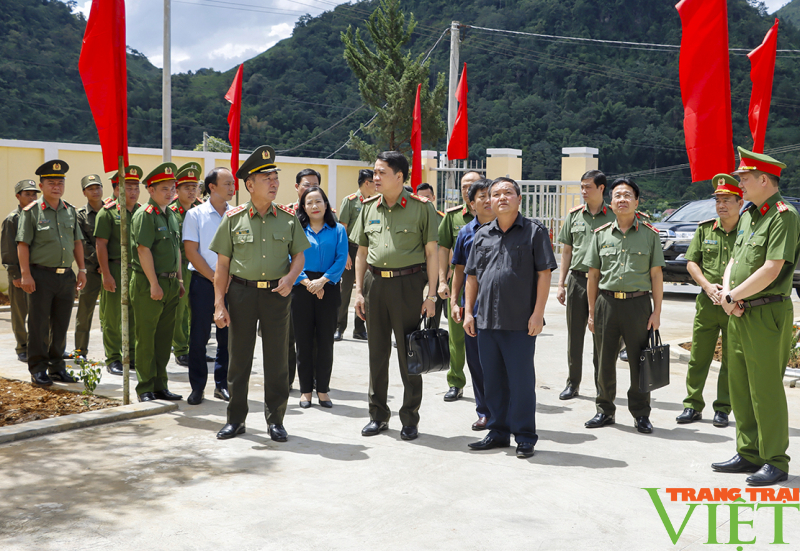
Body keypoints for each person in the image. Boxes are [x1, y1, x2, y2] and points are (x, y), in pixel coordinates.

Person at [713, 148, 800, 486]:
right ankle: (748, 452)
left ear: (764, 180)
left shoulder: (783, 216)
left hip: (766, 312)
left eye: (744, 179)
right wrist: (726, 293)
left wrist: (734, 296)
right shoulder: (749, 214)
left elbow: (772, 268)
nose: (740, 185)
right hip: (739, 310)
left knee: (765, 388)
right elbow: (736, 260)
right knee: (740, 386)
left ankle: (775, 460)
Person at [211, 145, 309, 442]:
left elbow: (299, 257)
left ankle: (276, 420)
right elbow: (222, 265)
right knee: (239, 359)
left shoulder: (288, 218)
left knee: (277, 360)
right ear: (250, 185)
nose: (274, 183)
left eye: (275, 177)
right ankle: (236, 419)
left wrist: (291, 278)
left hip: (276, 296)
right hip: (241, 293)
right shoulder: (233, 218)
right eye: (267, 178)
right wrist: (219, 304)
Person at [463, 177, 557, 459]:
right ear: (488, 201)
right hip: (486, 322)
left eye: (508, 193)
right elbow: (471, 276)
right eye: (496, 194)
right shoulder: (482, 235)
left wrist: (538, 313)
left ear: (518, 199)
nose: (502, 197)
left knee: (521, 382)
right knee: (492, 381)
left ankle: (525, 436)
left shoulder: (533, 232)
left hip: (520, 322)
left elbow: (544, 274)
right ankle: (498, 431)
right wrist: (469, 311)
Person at [351, 151, 439, 441]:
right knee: (377, 353)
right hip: (375, 284)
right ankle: (377, 415)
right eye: (374, 172)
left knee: (409, 354)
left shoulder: (421, 208)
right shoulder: (367, 208)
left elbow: (431, 253)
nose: (374, 178)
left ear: (400, 176)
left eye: (381, 173)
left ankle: (409, 418)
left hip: (408, 286)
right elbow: (362, 253)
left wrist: (431, 295)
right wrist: (359, 293)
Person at [585, 177, 664, 434]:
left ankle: (641, 414)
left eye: (627, 195)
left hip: (638, 305)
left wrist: (657, 312)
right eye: (617, 195)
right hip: (606, 303)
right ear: (611, 201)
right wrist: (591, 312)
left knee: (640, 362)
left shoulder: (650, 236)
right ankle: (604, 410)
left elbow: (656, 276)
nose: (622, 199)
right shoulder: (600, 235)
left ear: (636, 201)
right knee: (604, 360)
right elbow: (593, 276)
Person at [676, 174, 742, 428]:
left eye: (727, 200)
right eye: (718, 201)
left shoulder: (748, 231)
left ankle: (723, 409)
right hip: (707, 303)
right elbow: (691, 262)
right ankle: (692, 405)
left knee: (730, 360)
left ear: (740, 202)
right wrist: (705, 285)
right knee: (699, 357)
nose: (721, 205)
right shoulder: (705, 229)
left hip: (735, 306)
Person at [16, 160, 86, 386]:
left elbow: (77, 242)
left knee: (61, 324)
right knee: (38, 325)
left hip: (65, 276)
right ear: (42, 185)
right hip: (41, 276)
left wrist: (81, 269)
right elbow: (23, 244)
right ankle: (38, 369)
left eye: (60, 182)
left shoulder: (70, 211)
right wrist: (25, 274)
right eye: (51, 183)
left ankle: (57, 367)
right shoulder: (32, 212)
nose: (57, 187)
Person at [556, 170, 615, 400]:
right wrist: (561, 284)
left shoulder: (613, 216)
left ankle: (601, 384)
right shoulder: (574, 216)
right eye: (581, 187)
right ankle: (573, 383)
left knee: (601, 335)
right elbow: (567, 251)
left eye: (588, 187)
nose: (583, 191)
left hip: (604, 283)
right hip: (578, 281)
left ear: (601, 188)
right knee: (575, 335)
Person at [129, 163, 184, 402]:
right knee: (147, 337)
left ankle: (161, 384)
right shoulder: (145, 215)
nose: (170, 192)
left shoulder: (171, 214)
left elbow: (177, 251)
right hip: (148, 284)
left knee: (164, 338)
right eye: (164, 188)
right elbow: (143, 250)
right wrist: (154, 283)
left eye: (172, 188)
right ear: (150, 190)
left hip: (171, 284)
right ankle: (145, 387)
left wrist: (179, 280)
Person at [183, 167, 236, 405]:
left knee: (227, 336)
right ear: (211, 187)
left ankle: (221, 384)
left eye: (232, 183)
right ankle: (197, 387)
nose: (232, 187)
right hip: (204, 283)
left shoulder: (237, 214)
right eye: (226, 183)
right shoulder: (195, 215)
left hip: (233, 285)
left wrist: (226, 280)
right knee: (199, 336)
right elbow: (191, 252)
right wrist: (216, 278)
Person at [293, 186, 348, 408]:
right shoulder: (297, 229)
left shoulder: (338, 231)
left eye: (318, 201)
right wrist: (308, 282)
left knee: (325, 341)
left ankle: (323, 391)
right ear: (303, 207)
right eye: (309, 203)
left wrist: (322, 281)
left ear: (326, 204)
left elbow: (341, 258)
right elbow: (291, 257)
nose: (314, 206)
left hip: (329, 286)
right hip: (301, 286)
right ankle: (305, 391)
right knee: (303, 341)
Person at [450, 178, 495, 431]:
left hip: (504, 310)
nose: (488, 200)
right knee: (476, 363)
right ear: (472, 204)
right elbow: (458, 269)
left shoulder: (512, 229)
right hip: (474, 309)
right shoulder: (466, 232)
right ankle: (484, 412)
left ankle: (505, 411)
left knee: (501, 364)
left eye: (492, 195)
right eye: (482, 197)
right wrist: (457, 303)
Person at [437, 170, 482, 402]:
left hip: (487, 288)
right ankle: (455, 381)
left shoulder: (494, 215)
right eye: (464, 186)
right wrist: (442, 280)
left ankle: (484, 384)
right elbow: (443, 249)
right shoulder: (453, 217)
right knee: (456, 337)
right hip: (460, 285)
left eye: (472, 184)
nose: (467, 189)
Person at [95, 166, 142, 376]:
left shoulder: (142, 212)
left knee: (135, 314)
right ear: (116, 189)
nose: (132, 192)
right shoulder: (107, 213)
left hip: (138, 271)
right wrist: (106, 274)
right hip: (115, 267)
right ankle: (113, 357)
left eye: (135, 187)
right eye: (127, 187)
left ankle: (130, 355)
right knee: (114, 316)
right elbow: (101, 244)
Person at [168, 162, 203, 367]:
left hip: (199, 265)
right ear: (177, 189)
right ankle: (181, 349)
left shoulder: (200, 210)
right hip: (180, 266)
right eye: (186, 188)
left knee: (197, 309)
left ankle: (195, 348)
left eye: (194, 187)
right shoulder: (172, 212)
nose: (191, 192)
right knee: (180, 310)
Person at [2, 180, 40, 363]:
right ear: (18, 196)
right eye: (28, 194)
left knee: (41, 312)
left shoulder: (41, 216)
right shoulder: (12, 219)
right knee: (20, 312)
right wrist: (15, 275)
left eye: (34, 194)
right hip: (20, 274)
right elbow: (8, 249)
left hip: (40, 272)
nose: (32, 197)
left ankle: (41, 346)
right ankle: (22, 346)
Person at [335, 169, 376, 341]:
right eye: (374, 182)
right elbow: (342, 229)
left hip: (368, 250)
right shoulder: (350, 201)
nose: (377, 185)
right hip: (351, 249)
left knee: (365, 290)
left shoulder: (375, 202)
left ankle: (359, 329)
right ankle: (339, 327)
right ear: (367, 183)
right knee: (345, 292)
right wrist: (345, 255)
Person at [72, 174, 105, 361]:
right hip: (91, 270)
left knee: (113, 314)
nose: (96, 191)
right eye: (91, 188)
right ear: (84, 192)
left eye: (98, 187)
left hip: (110, 270)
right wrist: (100, 262)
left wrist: (107, 265)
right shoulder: (79, 215)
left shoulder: (112, 211)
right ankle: (80, 352)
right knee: (84, 312)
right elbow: (81, 242)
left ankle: (115, 354)